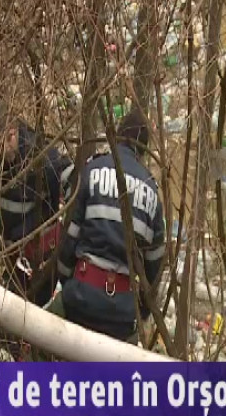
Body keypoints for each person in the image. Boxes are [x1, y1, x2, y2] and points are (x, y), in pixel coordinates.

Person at [46, 109, 166, 345]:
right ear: (143, 150)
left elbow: (69, 238)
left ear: (118, 137)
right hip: (122, 314)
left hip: (81, 297)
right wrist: (140, 312)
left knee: (35, 338)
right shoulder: (152, 192)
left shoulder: (92, 171)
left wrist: (67, 282)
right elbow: (155, 267)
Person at [0, 97, 74, 311]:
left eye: (9, 137)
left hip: (41, 254)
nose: (4, 147)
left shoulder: (39, 157)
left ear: (16, 130)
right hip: (14, 253)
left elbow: (69, 176)